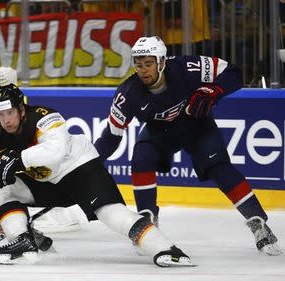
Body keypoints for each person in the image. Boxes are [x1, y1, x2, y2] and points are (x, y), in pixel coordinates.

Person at [0, 83, 195, 267]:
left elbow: (56, 150)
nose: (5, 120)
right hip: (47, 183)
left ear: (20, 108)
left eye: (9, 113)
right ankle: (22, 241)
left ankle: (167, 249)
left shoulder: (43, 116)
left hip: (79, 169)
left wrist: (18, 159)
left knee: (111, 214)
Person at [94, 36, 281, 256]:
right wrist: (88, 162)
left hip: (198, 128)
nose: (143, 70)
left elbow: (234, 74)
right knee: (142, 157)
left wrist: (213, 91)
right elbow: (111, 138)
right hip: (160, 133)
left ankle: (259, 224)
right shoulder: (128, 93)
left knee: (219, 168)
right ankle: (147, 221)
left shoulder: (187, 68)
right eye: (139, 64)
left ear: (162, 61)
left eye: (148, 64)